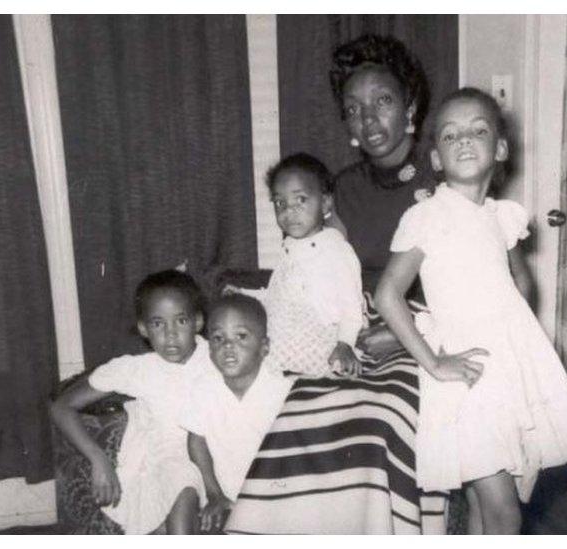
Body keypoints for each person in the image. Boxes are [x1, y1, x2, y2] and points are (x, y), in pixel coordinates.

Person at [224, 33, 447, 535]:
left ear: (410, 106)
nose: (369, 120)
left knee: (374, 422)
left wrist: (405, 334)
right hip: (362, 335)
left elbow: (474, 283)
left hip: (430, 337)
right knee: (297, 413)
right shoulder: (341, 190)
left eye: (383, 102)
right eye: (354, 109)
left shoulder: (444, 174)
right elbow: (328, 272)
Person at [375, 88, 567, 534]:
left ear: (499, 149)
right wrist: (434, 361)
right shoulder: (428, 216)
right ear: (436, 158)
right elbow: (387, 295)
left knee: (488, 503)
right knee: (503, 510)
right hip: (466, 374)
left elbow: (522, 282)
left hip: (505, 370)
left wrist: (518, 338)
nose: (463, 140)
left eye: (478, 131)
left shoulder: (503, 216)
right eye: (450, 134)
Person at [49, 270, 211, 534]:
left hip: (216, 461)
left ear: (198, 321)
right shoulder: (138, 369)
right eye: (158, 324)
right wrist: (97, 458)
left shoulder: (216, 356)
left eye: (180, 321)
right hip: (167, 465)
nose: (171, 335)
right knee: (183, 484)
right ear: (143, 328)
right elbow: (61, 407)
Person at [235, 153, 364, 378]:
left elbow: (351, 306)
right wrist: (245, 296)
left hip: (319, 337)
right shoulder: (288, 246)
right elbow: (280, 292)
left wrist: (345, 344)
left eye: (300, 199)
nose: (288, 210)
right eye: (279, 202)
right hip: (284, 333)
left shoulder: (336, 249)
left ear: (325, 202)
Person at [181, 294, 294, 533]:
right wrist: (214, 494)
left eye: (241, 336)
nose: (228, 346)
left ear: (264, 347)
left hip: (275, 501)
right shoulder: (203, 388)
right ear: (209, 347)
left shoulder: (283, 392)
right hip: (223, 499)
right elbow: (196, 442)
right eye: (218, 338)